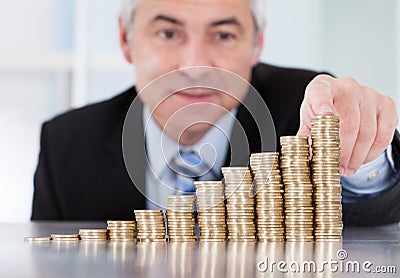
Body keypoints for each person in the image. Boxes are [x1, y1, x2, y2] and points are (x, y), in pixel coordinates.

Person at [31, 0, 400, 226]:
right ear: (126, 39)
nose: (195, 65)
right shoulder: (67, 142)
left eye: (223, 35)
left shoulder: (307, 111)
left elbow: (372, 220)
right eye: (167, 33)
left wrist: (362, 152)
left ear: (257, 43)